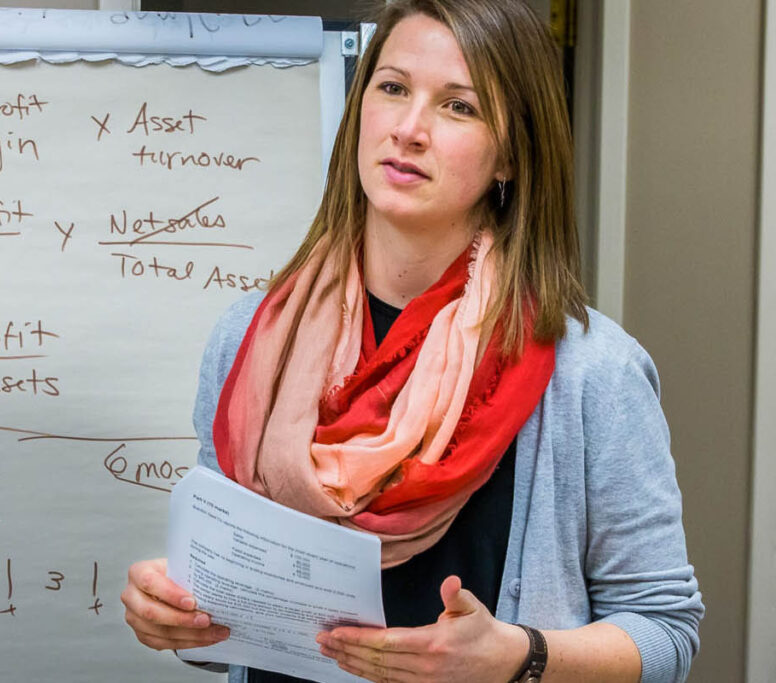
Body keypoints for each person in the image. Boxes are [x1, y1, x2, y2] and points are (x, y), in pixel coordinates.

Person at [121, 0, 704, 681]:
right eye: (393, 88)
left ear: (510, 156)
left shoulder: (590, 371)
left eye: (459, 107)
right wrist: (179, 618)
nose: (409, 128)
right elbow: (225, 622)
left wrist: (519, 656)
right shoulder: (251, 339)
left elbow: (665, 631)